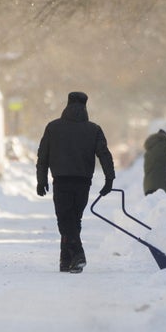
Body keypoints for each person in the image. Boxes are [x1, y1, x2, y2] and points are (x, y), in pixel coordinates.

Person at [36, 91, 115, 273]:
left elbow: (43, 156)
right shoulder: (93, 129)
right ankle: (66, 261)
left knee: (65, 220)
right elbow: (104, 154)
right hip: (83, 182)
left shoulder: (53, 127)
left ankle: (78, 255)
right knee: (73, 219)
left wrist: (41, 180)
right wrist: (109, 179)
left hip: (61, 181)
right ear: (85, 106)